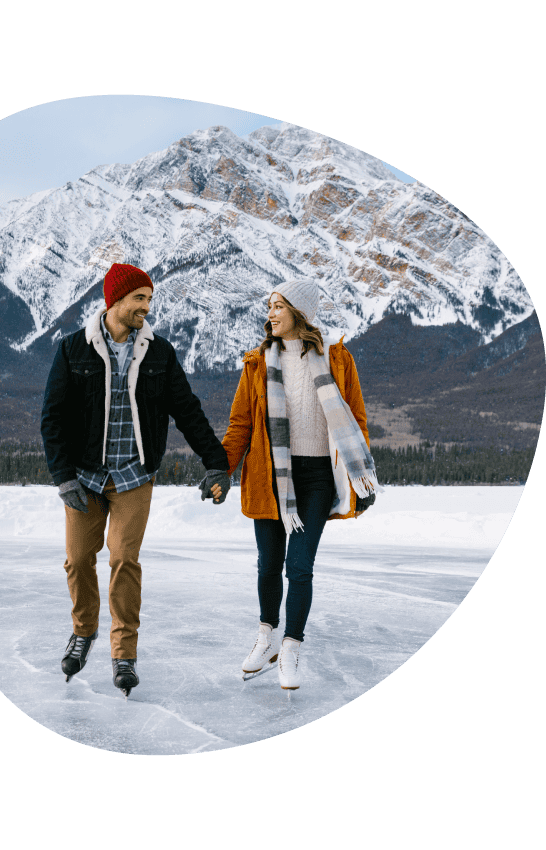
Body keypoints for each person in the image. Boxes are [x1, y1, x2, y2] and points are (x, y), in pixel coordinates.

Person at [41, 263, 230, 696]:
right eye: (139, 298)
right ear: (116, 301)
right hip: (85, 479)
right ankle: (84, 629)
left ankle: (123, 654)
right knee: (77, 558)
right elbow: (51, 417)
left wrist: (216, 463)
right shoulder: (73, 350)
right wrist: (63, 477)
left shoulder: (159, 353)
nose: (147, 306)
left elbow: (188, 410)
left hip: (134, 475)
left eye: (149, 298)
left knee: (124, 559)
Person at [217, 279, 380, 690]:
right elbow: (241, 425)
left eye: (277, 307)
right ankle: (266, 637)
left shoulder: (338, 360)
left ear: (299, 313)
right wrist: (221, 467)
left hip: (318, 478)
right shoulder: (256, 363)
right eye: (269, 307)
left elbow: (355, 419)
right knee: (268, 565)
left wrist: (361, 476)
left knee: (299, 566)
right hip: (268, 477)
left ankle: (291, 647)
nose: (270, 314)